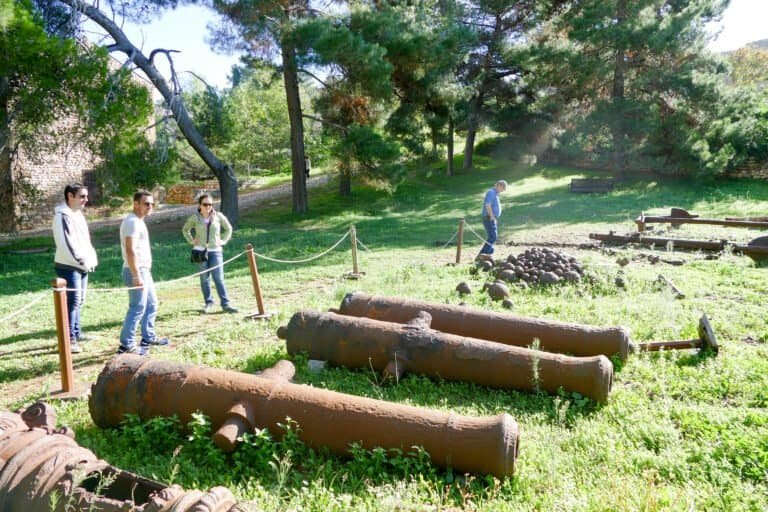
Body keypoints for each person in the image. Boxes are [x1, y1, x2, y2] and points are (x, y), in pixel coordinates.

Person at [118, 190, 169, 355]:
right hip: (136, 270)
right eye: (146, 203)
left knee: (152, 304)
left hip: (144, 270)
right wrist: (135, 275)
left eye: (152, 203)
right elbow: (130, 250)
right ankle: (126, 345)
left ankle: (148, 336)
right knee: (137, 307)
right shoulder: (132, 222)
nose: (150, 206)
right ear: (136, 204)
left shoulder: (139, 221)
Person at [52, 183, 98, 354]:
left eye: (86, 196)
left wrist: (90, 259)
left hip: (82, 265)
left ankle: (77, 333)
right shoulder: (62, 216)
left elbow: (84, 240)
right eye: (82, 196)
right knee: (72, 302)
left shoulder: (76, 214)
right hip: (69, 266)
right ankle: (69, 339)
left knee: (79, 301)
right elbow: (65, 244)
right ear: (70, 196)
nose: (86, 200)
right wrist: (81, 261)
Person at [182, 193, 238, 314]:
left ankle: (226, 304)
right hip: (200, 251)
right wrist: (191, 240)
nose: (208, 207)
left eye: (210, 204)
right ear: (200, 205)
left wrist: (223, 241)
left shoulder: (218, 216)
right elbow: (185, 229)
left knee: (218, 278)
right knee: (204, 279)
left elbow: (229, 229)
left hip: (216, 251)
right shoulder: (195, 218)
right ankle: (209, 303)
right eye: (205, 204)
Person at [478, 180, 508, 257]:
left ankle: (488, 253)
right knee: (493, 237)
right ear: (499, 185)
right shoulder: (491, 192)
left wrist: (494, 217)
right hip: (488, 217)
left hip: (491, 218)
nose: (503, 191)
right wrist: (492, 216)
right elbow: (488, 205)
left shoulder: (495, 193)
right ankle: (483, 254)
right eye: (503, 188)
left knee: (492, 236)